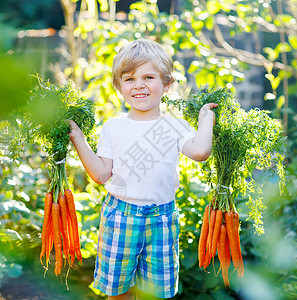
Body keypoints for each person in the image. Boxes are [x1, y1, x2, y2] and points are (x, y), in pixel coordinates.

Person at [69, 38, 217, 300]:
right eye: (129, 79)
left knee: (156, 294)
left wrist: (206, 119)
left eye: (148, 77)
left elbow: (200, 152)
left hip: (162, 218)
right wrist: (78, 138)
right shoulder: (113, 127)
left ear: (167, 84)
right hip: (120, 217)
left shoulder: (174, 126)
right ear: (119, 86)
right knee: (118, 292)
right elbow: (102, 175)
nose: (139, 85)